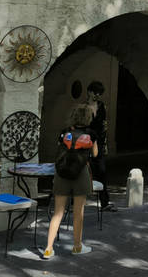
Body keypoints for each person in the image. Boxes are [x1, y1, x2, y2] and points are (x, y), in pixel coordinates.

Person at [43, 103, 97, 259]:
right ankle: (77, 246)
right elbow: (95, 153)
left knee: (58, 212)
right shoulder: (91, 134)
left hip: (62, 173)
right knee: (78, 213)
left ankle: (48, 248)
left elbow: (60, 149)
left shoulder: (64, 132)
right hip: (81, 173)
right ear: (87, 117)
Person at [86, 81, 115, 212]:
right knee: (82, 171)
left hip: (99, 143)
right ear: (89, 91)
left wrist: (105, 144)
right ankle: (74, 201)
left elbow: (104, 125)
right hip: (85, 143)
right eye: (95, 92)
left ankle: (105, 202)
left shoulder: (102, 106)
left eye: (100, 93)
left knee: (102, 172)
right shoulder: (83, 107)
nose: (97, 95)